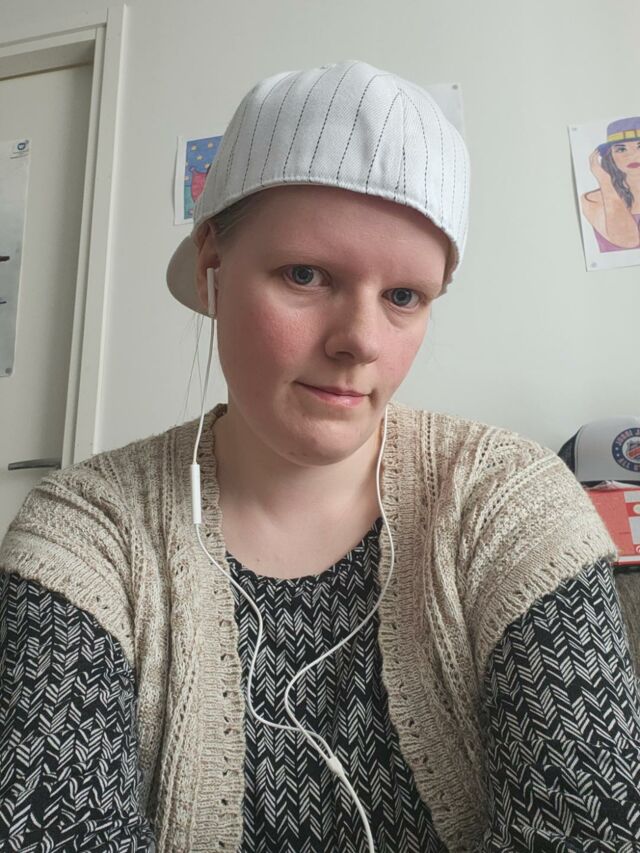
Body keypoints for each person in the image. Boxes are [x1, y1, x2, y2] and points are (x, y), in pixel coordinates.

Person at [1, 59, 639, 853]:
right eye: (306, 275)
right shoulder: (85, 533)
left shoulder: (511, 502)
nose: (360, 341)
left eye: (404, 296)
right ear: (211, 267)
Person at [581, 116, 640, 252]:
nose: (632, 156)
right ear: (610, 156)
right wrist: (605, 181)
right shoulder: (593, 199)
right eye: (621, 149)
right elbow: (629, 241)